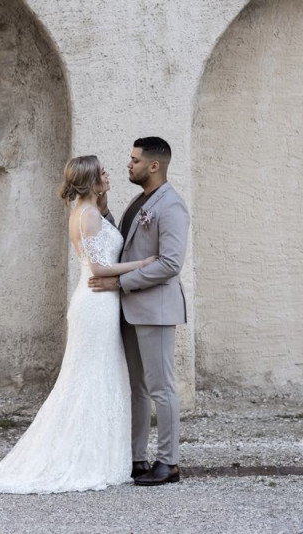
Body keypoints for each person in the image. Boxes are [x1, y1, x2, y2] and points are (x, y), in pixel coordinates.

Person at [0, 155, 155, 494]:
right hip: (96, 303)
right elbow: (98, 269)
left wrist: (104, 200)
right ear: (90, 180)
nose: (108, 174)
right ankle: (85, 456)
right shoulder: (86, 216)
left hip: (100, 303)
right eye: (102, 172)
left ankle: (98, 452)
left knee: (99, 374)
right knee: (91, 376)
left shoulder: (89, 211)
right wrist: (141, 264)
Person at [89, 136, 190, 486]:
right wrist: (104, 212)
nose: (129, 165)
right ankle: (136, 459)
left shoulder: (171, 206)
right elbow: (125, 246)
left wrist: (120, 283)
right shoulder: (140, 200)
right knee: (137, 388)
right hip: (131, 310)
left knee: (162, 388)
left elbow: (170, 264)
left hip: (156, 310)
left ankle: (169, 463)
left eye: (135, 160)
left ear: (154, 165)